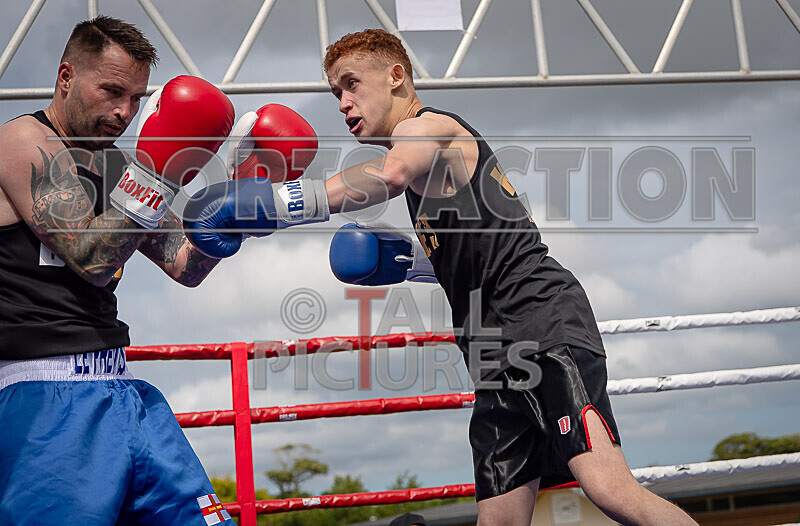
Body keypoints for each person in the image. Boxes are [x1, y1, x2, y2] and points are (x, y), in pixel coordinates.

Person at [184, 29, 698, 526]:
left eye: (350, 84)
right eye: (335, 91)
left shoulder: (426, 128)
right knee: (498, 519)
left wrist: (279, 202)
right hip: (494, 350)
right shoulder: (424, 168)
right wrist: (409, 262)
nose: (342, 102)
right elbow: (480, 243)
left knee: (609, 489)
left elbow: (388, 175)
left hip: (542, 324)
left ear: (396, 75)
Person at [0, 16, 235, 525]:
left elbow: (185, 264)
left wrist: (236, 210)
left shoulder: (117, 167)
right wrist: (157, 173)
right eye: (111, 91)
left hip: (122, 390)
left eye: (136, 98)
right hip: (45, 397)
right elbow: (90, 258)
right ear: (66, 76)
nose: (123, 111)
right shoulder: (21, 143)